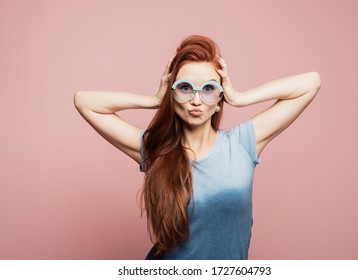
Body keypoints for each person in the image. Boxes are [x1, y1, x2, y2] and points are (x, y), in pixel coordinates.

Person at [74, 34, 321, 260]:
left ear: (219, 98)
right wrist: (154, 100)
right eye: (185, 88)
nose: (196, 100)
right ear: (173, 94)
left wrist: (239, 97)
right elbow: (84, 101)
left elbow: (311, 82)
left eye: (209, 89)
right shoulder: (156, 150)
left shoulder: (242, 143)